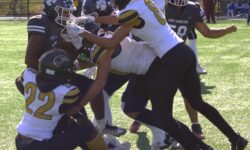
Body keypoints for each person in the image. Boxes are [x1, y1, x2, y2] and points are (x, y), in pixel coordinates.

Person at [65, 0, 248, 149]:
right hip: (183, 51)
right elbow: (118, 19)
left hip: (169, 57)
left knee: (162, 115)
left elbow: (113, 38)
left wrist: (86, 30)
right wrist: (93, 20)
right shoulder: (142, 4)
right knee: (197, 102)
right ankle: (235, 138)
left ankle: (197, 148)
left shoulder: (131, 10)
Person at [15, 49, 108, 150]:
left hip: (21, 141)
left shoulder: (28, 75)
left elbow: (18, 82)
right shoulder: (67, 92)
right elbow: (77, 112)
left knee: (68, 122)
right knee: (89, 131)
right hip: (40, 145)